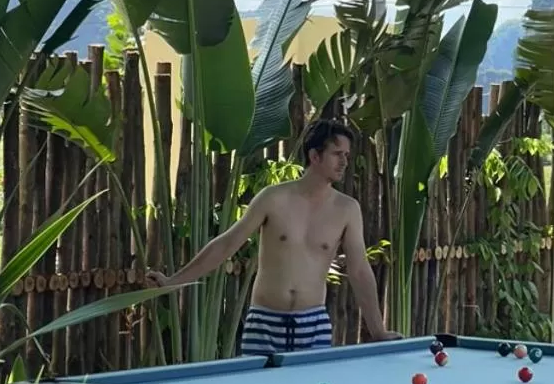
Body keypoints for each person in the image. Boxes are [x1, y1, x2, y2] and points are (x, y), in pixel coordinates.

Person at [146, 118, 398, 353]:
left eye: (346, 155)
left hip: (313, 325)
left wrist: (378, 331)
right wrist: (173, 281)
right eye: (337, 154)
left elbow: (359, 270)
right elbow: (227, 243)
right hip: (264, 323)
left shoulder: (347, 209)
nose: (344, 162)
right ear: (315, 156)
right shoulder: (273, 198)